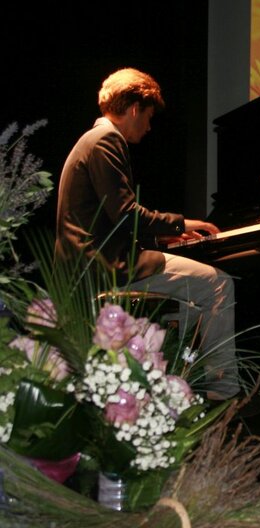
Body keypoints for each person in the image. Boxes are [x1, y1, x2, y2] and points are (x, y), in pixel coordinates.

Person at [55, 67, 240, 400]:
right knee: (218, 284)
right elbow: (127, 213)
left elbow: (108, 218)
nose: (149, 126)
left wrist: (161, 239)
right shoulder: (106, 140)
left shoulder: (90, 140)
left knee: (194, 300)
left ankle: (179, 385)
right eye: (149, 117)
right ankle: (222, 391)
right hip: (104, 266)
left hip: (87, 263)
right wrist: (181, 224)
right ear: (134, 109)